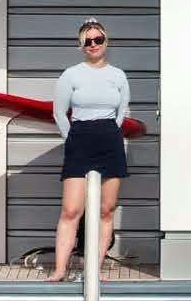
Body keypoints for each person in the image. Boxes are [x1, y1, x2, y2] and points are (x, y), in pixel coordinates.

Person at [49, 17, 130, 282]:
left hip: (109, 138)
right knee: (71, 209)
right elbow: (59, 112)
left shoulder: (118, 75)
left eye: (98, 39)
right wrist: (71, 137)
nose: (93, 44)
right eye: (88, 41)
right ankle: (60, 269)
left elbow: (121, 112)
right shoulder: (71, 74)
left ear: (106, 42)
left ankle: (94, 269)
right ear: (81, 45)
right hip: (80, 137)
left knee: (107, 209)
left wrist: (111, 132)